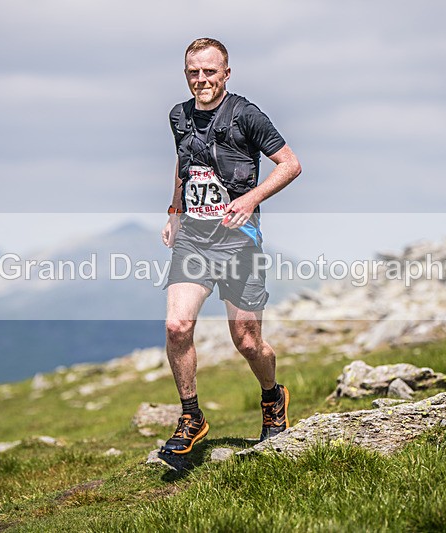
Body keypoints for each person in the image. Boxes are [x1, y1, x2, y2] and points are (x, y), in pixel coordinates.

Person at [159, 37, 302, 455]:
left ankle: (272, 397)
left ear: (226, 73)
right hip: (194, 239)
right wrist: (174, 211)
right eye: (193, 72)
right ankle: (192, 416)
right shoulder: (179, 116)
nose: (201, 79)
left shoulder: (246, 115)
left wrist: (251, 198)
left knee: (247, 340)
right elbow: (184, 164)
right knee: (177, 326)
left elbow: (290, 164)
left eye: (209, 71)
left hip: (238, 244)